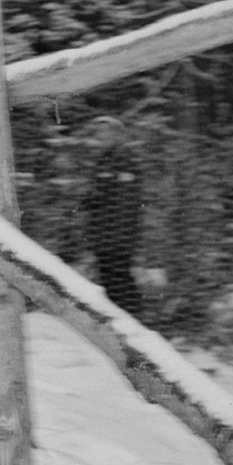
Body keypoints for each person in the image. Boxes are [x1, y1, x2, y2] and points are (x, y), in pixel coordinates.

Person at [84, 115, 144, 317]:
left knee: (119, 278)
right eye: (99, 133)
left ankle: (134, 323)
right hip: (103, 233)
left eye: (107, 133)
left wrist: (100, 201)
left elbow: (126, 200)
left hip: (117, 233)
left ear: (119, 135)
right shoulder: (105, 159)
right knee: (110, 279)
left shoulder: (123, 158)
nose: (102, 137)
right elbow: (102, 191)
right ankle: (121, 324)